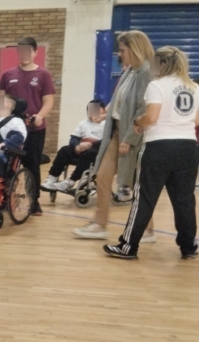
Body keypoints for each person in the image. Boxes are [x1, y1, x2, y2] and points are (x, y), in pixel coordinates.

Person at [104, 47, 199, 260]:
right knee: (185, 199)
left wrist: (138, 121)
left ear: (162, 64)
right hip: (188, 147)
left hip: (159, 146)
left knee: (145, 198)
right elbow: (197, 120)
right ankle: (188, 247)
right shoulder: (193, 87)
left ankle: (128, 246)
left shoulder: (157, 85)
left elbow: (152, 117)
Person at [73, 31, 157, 241]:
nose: (119, 54)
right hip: (116, 132)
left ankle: (147, 230)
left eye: (122, 50)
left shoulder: (146, 72)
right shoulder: (130, 71)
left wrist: (129, 138)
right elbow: (119, 101)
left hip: (134, 136)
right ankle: (100, 224)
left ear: (135, 49)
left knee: (137, 184)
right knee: (102, 176)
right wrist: (105, 116)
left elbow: (142, 109)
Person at [0, 37, 56, 216]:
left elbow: (48, 101)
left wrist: (39, 116)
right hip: (11, 130)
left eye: (27, 51)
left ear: (35, 52)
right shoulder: (8, 75)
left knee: (32, 165)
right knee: (7, 165)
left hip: (34, 129)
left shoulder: (43, 75)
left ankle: (34, 202)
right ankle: (4, 199)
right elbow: (0, 99)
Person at [41, 99, 106, 192]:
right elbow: (74, 137)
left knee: (89, 153)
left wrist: (90, 145)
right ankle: (52, 177)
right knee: (64, 150)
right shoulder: (83, 123)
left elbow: (106, 141)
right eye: (90, 110)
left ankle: (70, 181)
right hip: (81, 148)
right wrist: (76, 146)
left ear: (103, 110)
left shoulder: (107, 124)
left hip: (96, 151)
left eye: (96, 109)